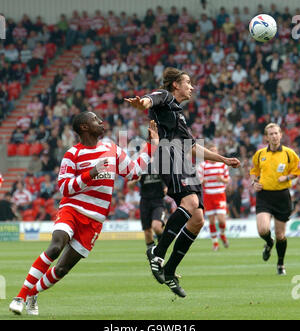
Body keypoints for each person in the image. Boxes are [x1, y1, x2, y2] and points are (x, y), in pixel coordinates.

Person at [9, 111, 159, 315]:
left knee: (61, 269)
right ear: (84, 127)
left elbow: (133, 172)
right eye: (95, 120)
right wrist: (91, 173)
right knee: (55, 246)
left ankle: (32, 293)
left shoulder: (112, 149)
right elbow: (64, 188)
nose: (101, 122)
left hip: (94, 219)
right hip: (72, 208)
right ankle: (20, 297)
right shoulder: (73, 154)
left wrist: (151, 145)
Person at [125, 67, 240, 297]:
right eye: (188, 82)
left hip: (182, 160)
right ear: (176, 84)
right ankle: (157, 253)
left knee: (197, 218)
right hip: (167, 156)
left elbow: (194, 148)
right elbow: (151, 99)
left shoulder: (178, 113)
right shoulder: (166, 97)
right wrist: (143, 103)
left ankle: (169, 271)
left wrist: (223, 159)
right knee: (190, 202)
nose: (192, 87)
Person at [250, 123, 300, 275]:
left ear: (281, 135)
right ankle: (268, 243)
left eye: (276, 133)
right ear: (266, 137)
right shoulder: (259, 154)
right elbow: (254, 171)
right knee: (263, 229)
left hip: (282, 196)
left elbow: (297, 171)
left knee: (281, 235)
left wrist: (288, 176)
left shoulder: (289, 153)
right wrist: (254, 182)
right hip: (264, 196)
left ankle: (280, 264)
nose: (274, 136)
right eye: (270, 134)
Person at [198, 143, 230, 251]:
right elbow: (198, 180)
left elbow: (227, 180)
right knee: (211, 221)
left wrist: (222, 180)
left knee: (221, 220)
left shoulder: (222, 165)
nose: (213, 153)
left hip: (220, 194)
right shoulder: (203, 165)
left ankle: (222, 234)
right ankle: (215, 243)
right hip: (208, 196)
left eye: (215, 151)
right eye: (211, 151)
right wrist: (203, 181)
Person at [127, 173, 167, 250]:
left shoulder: (161, 167)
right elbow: (129, 186)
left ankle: (161, 249)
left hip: (158, 201)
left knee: (156, 227)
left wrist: (166, 188)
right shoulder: (141, 168)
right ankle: (152, 255)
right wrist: (136, 180)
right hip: (145, 202)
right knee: (147, 231)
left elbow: (167, 185)